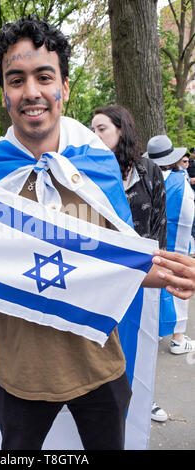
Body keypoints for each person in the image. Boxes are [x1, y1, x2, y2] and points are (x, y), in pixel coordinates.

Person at [0, 16, 195, 450]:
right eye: (16, 80)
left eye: (43, 76)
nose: (31, 91)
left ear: (64, 88)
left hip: (100, 369)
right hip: (20, 381)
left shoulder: (96, 167)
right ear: (5, 93)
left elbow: (122, 262)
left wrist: (173, 272)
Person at [92, 106, 168, 422]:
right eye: (91, 129)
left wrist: (159, 269)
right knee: (103, 342)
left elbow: (159, 222)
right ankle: (101, 405)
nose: (93, 135)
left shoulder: (149, 171)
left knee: (138, 336)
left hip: (143, 275)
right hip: (102, 277)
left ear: (121, 130)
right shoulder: (86, 172)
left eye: (101, 128)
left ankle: (142, 398)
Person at [145, 135, 195, 354]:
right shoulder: (179, 180)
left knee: (153, 286)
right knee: (179, 285)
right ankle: (178, 338)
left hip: (150, 245)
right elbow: (188, 214)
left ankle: (152, 331)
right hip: (176, 244)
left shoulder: (142, 178)